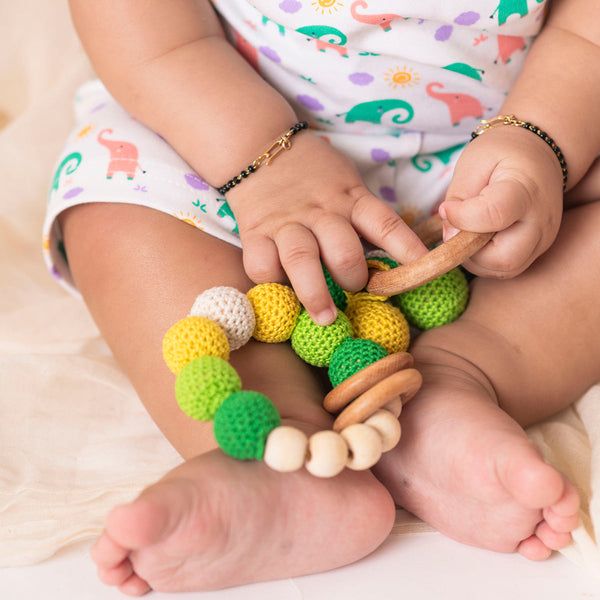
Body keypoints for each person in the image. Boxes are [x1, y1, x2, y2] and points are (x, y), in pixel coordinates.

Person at [43, 0, 599, 594]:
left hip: (491, 158)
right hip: (230, 145)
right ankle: (274, 446)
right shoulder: (238, 148)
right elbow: (143, 27)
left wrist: (543, 139)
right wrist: (260, 160)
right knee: (117, 203)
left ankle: (455, 382)